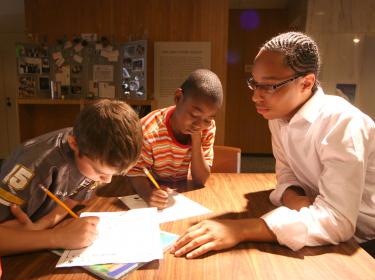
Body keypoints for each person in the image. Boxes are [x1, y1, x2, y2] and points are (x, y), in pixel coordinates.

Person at [170, 31, 375, 259]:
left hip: (363, 240)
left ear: (306, 83)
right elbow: (286, 171)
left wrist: (241, 229)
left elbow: (338, 221)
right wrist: (291, 196)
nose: (256, 97)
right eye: (254, 84)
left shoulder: (343, 123)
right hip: (313, 219)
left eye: (269, 86)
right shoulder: (279, 117)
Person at [0, 99, 143, 255]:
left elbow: (73, 198)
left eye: (114, 175)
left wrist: (42, 224)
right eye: (99, 172)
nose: (106, 180)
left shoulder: (94, 149)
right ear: (74, 144)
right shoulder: (32, 164)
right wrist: (56, 237)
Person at [127, 69, 223, 209]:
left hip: (183, 193)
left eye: (208, 119)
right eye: (194, 115)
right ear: (178, 98)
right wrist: (148, 194)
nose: (199, 124)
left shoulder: (206, 128)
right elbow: (136, 173)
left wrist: (196, 139)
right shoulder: (148, 131)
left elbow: (200, 179)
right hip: (153, 189)